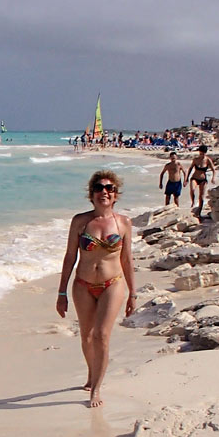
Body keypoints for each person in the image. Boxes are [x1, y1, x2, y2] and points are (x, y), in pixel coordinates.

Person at [55, 170, 135, 408]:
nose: (104, 192)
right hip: (83, 285)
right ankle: (92, 372)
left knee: (101, 335)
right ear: (91, 194)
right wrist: (61, 293)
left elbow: (127, 259)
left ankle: (96, 389)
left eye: (110, 188)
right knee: (87, 336)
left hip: (113, 284)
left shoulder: (123, 223)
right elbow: (70, 257)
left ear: (116, 195)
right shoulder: (80, 221)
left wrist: (133, 293)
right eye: (99, 188)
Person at [187, 144, 217, 216]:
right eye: (200, 153)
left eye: (203, 154)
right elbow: (190, 168)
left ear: (205, 153)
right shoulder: (195, 159)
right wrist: (186, 178)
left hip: (203, 179)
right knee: (192, 189)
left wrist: (213, 178)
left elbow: (213, 170)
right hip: (194, 178)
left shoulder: (208, 160)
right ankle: (193, 202)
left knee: (201, 196)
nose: (201, 155)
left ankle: (199, 212)